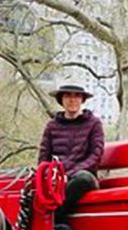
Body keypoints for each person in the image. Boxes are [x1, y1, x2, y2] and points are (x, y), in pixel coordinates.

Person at [38, 82, 105, 219]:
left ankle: (52, 219)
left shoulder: (94, 123)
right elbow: (44, 157)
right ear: (61, 100)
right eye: (68, 96)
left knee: (82, 179)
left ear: (82, 100)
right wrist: (50, 175)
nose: (72, 100)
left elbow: (95, 155)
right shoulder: (52, 126)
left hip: (82, 177)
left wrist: (68, 175)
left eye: (77, 96)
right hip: (57, 178)